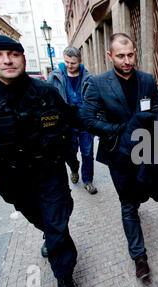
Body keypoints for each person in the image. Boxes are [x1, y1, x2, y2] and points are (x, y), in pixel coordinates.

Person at [0, 35, 82, 287]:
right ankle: (49, 235)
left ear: (23, 57)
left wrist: (114, 130)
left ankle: (65, 279)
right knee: (42, 220)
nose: (7, 60)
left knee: (58, 226)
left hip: (49, 175)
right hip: (12, 182)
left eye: (13, 54)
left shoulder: (45, 92)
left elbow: (72, 117)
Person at [80, 33, 158, 279]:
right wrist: (121, 131)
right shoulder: (97, 83)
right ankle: (139, 257)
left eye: (130, 55)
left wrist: (157, 140)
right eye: (120, 56)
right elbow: (87, 119)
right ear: (110, 56)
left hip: (145, 150)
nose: (126, 61)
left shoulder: (147, 80)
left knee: (145, 194)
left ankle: (140, 201)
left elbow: (157, 109)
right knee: (127, 204)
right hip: (117, 153)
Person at [47, 46, 97, 195]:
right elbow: (49, 99)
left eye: (73, 63)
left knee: (87, 153)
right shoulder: (54, 76)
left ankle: (88, 181)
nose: (69, 65)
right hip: (66, 124)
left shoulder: (88, 77)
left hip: (85, 123)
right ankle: (74, 169)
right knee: (70, 152)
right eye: (67, 62)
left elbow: (95, 100)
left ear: (80, 62)